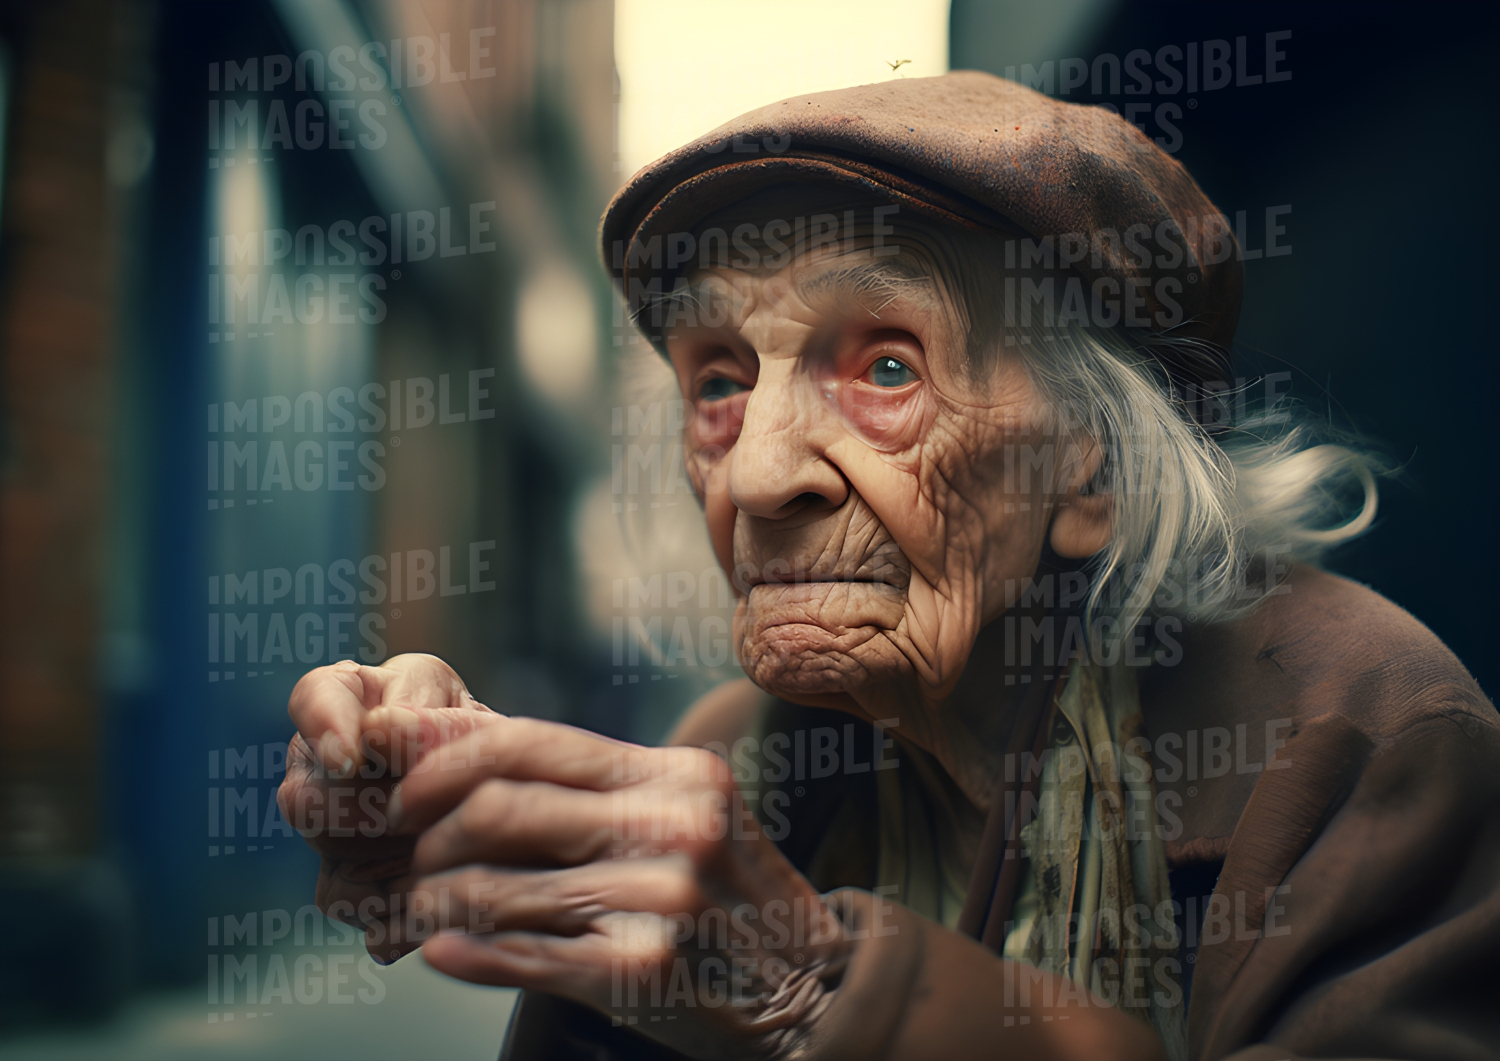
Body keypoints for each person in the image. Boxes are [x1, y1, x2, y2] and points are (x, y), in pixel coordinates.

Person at [278, 73, 1500, 1060]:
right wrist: (468, 803)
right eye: (720, 382)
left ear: (1095, 468)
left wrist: (810, 992)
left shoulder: (1364, 738)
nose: (761, 473)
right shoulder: (748, 753)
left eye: (887, 368)